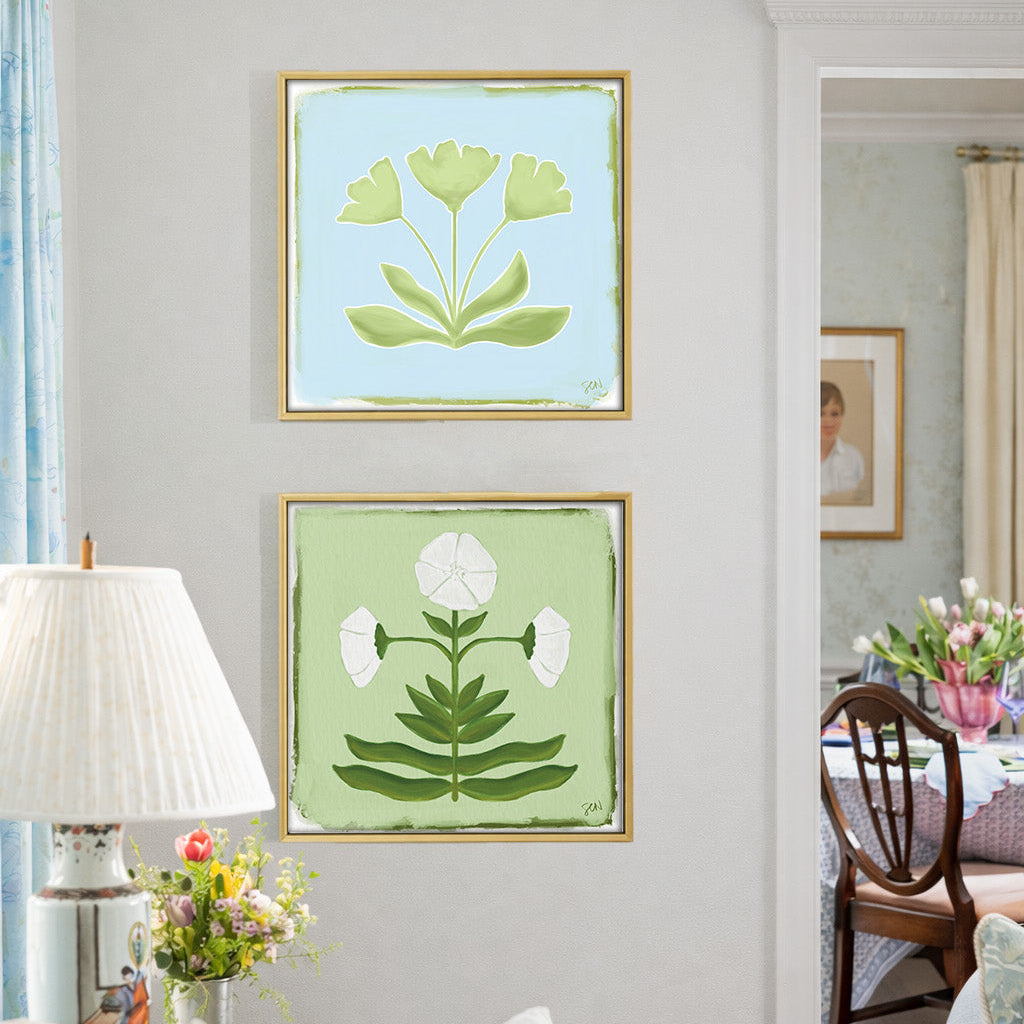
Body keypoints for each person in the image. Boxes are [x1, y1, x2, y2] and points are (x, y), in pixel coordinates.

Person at [820, 380, 864, 497]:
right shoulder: (797, 457)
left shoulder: (854, 456)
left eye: (834, 414)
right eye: (821, 414)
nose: (828, 421)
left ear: (842, 415)